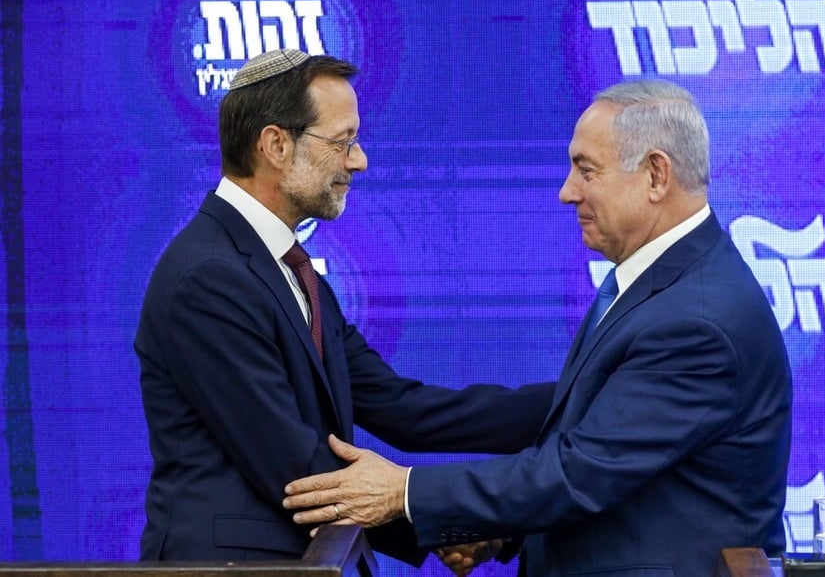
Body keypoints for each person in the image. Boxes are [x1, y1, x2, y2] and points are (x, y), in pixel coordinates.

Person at [282, 79, 793, 576]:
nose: (567, 192)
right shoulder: (666, 282)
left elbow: (582, 473)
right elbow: (610, 450)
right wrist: (504, 528)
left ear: (656, 175)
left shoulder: (696, 320)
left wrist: (404, 492)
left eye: (585, 171)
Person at [134, 49, 555, 563]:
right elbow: (296, 470)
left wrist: (579, 401)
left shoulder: (287, 270)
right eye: (343, 141)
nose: (359, 160)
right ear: (276, 145)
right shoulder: (209, 278)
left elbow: (405, 410)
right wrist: (447, 521)